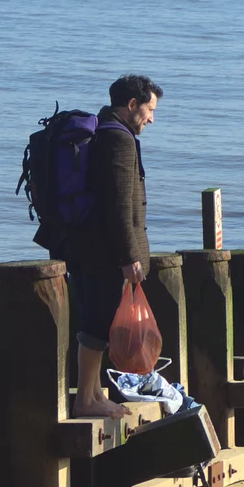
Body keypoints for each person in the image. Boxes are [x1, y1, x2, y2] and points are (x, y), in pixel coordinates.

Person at [56, 73, 162, 419]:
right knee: (98, 323)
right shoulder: (118, 139)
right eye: (149, 109)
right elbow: (119, 205)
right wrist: (130, 257)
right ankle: (86, 399)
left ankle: (93, 394)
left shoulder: (106, 132)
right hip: (103, 251)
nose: (151, 118)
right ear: (131, 104)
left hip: (89, 246)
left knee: (97, 321)